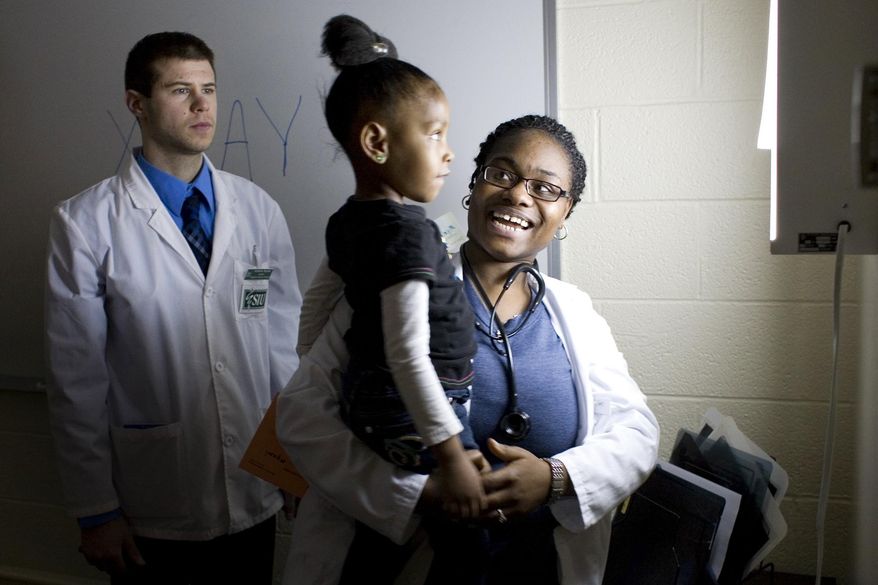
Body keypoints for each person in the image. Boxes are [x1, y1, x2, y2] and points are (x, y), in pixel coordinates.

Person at [276, 113, 660, 585]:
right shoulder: (397, 287)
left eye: (545, 188)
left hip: (537, 567)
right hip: (394, 561)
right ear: (475, 184)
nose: (519, 194)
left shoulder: (575, 312)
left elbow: (636, 432)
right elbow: (302, 413)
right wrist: (417, 494)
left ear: (566, 211)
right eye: (502, 173)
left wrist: (554, 478)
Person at [44, 31, 301, 584]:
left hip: (257, 486)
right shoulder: (85, 223)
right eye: (181, 89)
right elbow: (77, 380)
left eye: (208, 88)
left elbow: (282, 350)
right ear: (137, 103)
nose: (203, 104)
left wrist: (294, 465)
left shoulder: (258, 209)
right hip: (152, 503)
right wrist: (96, 511)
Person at [302, 14, 484, 520]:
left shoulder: (348, 221)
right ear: (377, 144)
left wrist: (308, 370)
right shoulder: (406, 231)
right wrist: (451, 454)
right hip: (413, 406)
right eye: (435, 134)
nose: (449, 153)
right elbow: (406, 354)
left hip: (371, 395)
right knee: (470, 531)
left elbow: (316, 304)